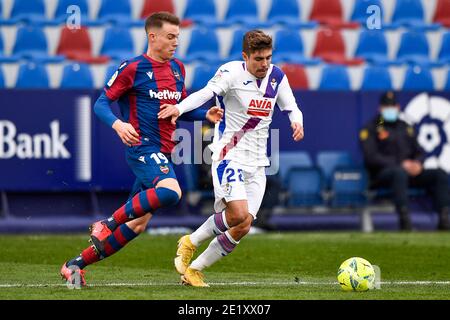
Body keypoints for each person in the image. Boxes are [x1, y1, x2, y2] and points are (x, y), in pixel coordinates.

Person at [59, 12, 223, 286]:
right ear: (152, 36)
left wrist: (205, 115)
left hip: (164, 152)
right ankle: (107, 223)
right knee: (171, 192)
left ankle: (74, 265)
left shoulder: (177, 69)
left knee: (137, 224)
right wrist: (118, 125)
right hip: (142, 147)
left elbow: (176, 111)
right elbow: (101, 103)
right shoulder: (132, 68)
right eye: (170, 37)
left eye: (177, 38)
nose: (175, 43)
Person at [158, 30, 305, 287]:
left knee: (243, 225)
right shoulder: (231, 73)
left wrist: (296, 122)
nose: (264, 64)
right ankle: (190, 241)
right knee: (237, 213)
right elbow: (204, 93)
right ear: (245, 56)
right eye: (258, 59)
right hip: (229, 156)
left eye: (268, 58)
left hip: (258, 164)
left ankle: (194, 270)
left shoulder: (277, 76)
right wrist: (179, 108)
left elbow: (292, 106)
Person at [359, 91, 450, 231]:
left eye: (393, 105)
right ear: (380, 108)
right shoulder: (376, 125)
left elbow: (419, 151)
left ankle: (444, 218)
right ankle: (405, 220)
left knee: (439, 174)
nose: (390, 109)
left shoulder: (404, 126)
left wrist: (418, 163)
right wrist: (400, 164)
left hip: (409, 171)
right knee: (398, 173)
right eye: (386, 106)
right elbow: (371, 156)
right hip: (383, 174)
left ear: (398, 107)